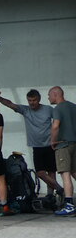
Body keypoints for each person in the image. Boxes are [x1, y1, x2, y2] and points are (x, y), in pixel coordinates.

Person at [0, 88, 62, 203]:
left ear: (39, 99)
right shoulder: (26, 110)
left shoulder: (48, 109)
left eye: (34, 100)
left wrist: (58, 136)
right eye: (30, 100)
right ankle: (60, 189)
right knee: (40, 173)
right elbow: (10, 104)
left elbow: (59, 120)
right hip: (36, 147)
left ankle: (50, 195)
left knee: (51, 171)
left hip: (49, 145)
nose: (32, 103)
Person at [50, 86, 76, 216]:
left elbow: (55, 126)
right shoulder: (73, 107)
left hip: (63, 144)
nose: (48, 98)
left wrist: (53, 141)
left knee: (65, 174)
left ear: (56, 94)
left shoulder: (58, 109)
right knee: (74, 172)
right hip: (74, 143)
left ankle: (69, 205)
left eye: (49, 95)